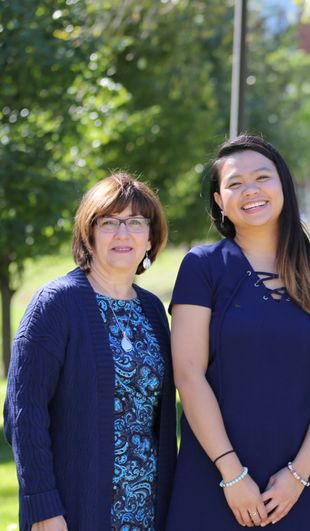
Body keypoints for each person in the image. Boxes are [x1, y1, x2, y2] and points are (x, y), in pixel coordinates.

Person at [165, 135, 310, 529]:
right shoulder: (202, 267)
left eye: (262, 177)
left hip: (295, 486)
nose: (250, 190)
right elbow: (188, 373)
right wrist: (231, 474)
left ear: (283, 184)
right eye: (235, 183)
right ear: (219, 200)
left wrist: (299, 475)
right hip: (212, 478)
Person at [4, 172, 176, 530]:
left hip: (146, 507)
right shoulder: (56, 304)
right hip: (75, 509)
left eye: (135, 222)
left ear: (151, 237)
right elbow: (24, 415)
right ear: (89, 232)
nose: (123, 234)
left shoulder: (153, 310)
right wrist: (45, 509)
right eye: (109, 222)